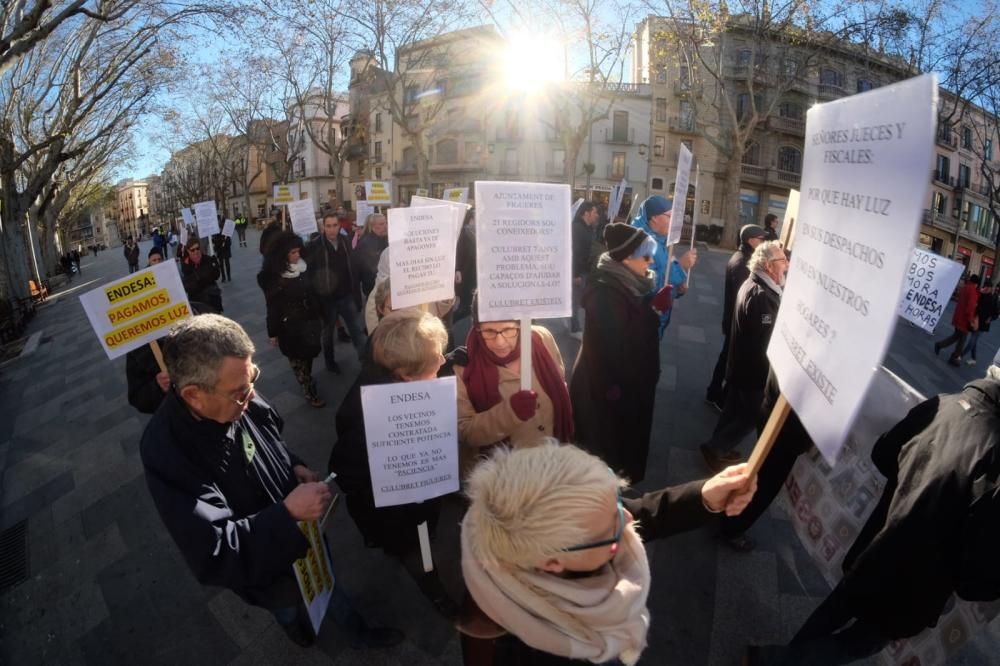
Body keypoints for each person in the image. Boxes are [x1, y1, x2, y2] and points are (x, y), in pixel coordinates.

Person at [139, 314, 403, 649]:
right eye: (239, 392)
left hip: (304, 539)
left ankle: (359, 633)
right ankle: (297, 630)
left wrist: (293, 465)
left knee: (330, 589)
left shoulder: (234, 388)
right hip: (266, 573)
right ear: (193, 395)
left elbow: (269, 433)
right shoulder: (166, 450)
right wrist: (287, 514)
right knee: (288, 607)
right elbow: (215, 553)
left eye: (253, 379)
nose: (250, 396)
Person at [746, 373, 1000, 666]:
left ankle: (777, 658)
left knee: (833, 611)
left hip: (873, 547)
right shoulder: (994, 456)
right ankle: (769, 660)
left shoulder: (942, 404)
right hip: (914, 587)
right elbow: (975, 573)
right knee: (857, 643)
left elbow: (882, 455)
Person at [461, 443, 757, 665]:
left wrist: (706, 494)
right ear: (552, 562)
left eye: (617, 502)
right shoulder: (533, 649)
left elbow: (641, 512)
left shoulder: (545, 529)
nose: (627, 521)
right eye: (610, 532)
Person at [327, 309, 459, 620]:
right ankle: (433, 588)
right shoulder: (364, 415)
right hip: (395, 510)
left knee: (426, 530)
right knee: (414, 550)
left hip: (424, 495)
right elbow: (345, 472)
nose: (443, 362)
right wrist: (394, 475)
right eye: (437, 359)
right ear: (406, 375)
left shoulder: (392, 372)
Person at [570, 223, 672, 484]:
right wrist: (652, 314)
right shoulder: (605, 291)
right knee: (606, 450)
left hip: (619, 387)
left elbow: (630, 320)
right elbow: (617, 346)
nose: (651, 262)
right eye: (645, 256)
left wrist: (651, 305)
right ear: (626, 258)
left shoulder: (626, 282)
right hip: (608, 391)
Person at [451, 300, 572, 479]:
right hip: (504, 479)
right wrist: (509, 412)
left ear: (521, 324)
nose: (500, 341)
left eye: (508, 330)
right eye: (489, 331)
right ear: (477, 327)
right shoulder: (463, 368)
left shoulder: (541, 340)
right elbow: (466, 432)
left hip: (553, 467)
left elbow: (560, 384)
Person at [700, 240, 787, 473]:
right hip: (753, 370)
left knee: (733, 411)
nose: (787, 263)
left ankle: (716, 446)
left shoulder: (755, 282)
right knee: (748, 416)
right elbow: (766, 340)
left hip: (740, 365)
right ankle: (716, 450)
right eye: (783, 259)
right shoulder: (762, 295)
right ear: (769, 266)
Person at [259, 231, 326, 408]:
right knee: (298, 360)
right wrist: (272, 332)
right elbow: (272, 307)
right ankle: (309, 390)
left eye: (298, 251)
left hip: (309, 321)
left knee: (308, 356)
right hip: (289, 326)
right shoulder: (277, 278)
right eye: (292, 253)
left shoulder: (304, 268)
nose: (297, 255)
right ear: (283, 255)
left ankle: (307, 379)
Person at [705, 224, 767, 410]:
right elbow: (745, 297)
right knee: (731, 361)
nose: (764, 242)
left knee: (727, 358)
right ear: (751, 240)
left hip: (733, 320)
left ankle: (714, 393)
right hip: (737, 322)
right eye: (761, 239)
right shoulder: (742, 263)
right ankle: (718, 397)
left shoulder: (743, 258)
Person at [304, 213, 367, 375]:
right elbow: (309, 275)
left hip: (346, 296)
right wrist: (316, 301)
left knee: (357, 330)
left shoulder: (346, 242)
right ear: (322, 227)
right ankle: (330, 362)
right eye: (328, 226)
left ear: (339, 226)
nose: (332, 229)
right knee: (327, 334)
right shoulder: (314, 246)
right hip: (327, 301)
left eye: (335, 225)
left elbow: (353, 267)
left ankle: (365, 360)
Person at [630, 195, 675, 338]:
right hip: (642, 324)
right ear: (655, 217)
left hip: (655, 319)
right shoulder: (642, 242)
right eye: (669, 216)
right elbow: (643, 285)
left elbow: (664, 273)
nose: (672, 222)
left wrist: (677, 289)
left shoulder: (660, 240)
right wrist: (681, 266)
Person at [934, 273, 980, 366]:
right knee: (961, 340)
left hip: (958, 316)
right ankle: (953, 356)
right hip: (964, 320)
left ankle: (943, 348)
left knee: (957, 337)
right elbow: (970, 308)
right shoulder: (973, 291)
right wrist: (971, 320)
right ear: (977, 283)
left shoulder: (965, 288)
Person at [569, 202, 600, 339]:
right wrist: (575, 274)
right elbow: (574, 253)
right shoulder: (577, 228)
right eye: (595, 212)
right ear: (586, 213)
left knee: (581, 300)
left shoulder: (588, 228)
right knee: (575, 301)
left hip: (586, 271)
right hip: (578, 272)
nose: (597, 215)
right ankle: (574, 328)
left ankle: (576, 325)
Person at [180, 237, 223, 312]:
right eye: (192, 250)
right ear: (188, 251)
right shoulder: (185, 266)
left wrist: (215, 266)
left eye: (197, 248)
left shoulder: (208, 259)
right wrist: (203, 275)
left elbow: (216, 276)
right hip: (198, 305)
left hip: (213, 302)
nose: (196, 251)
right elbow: (189, 287)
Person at [661, 246, 698, 330]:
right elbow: (652, 287)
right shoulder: (648, 243)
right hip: (646, 324)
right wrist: (680, 265)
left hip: (660, 321)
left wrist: (676, 289)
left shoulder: (663, 245)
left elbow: (664, 283)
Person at [352, 213, 388, 299]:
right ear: (372, 226)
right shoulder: (366, 243)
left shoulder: (384, 239)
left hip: (384, 287)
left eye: (385, 223)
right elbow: (369, 271)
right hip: (374, 289)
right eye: (381, 224)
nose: (386, 226)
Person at [960, 279, 995, 365]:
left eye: (988, 287)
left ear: (991, 288)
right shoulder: (981, 295)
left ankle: (960, 355)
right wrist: (980, 292)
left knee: (972, 340)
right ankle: (973, 358)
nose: (986, 288)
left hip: (983, 324)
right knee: (974, 340)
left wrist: (990, 319)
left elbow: (996, 312)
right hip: (976, 321)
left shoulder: (993, 298)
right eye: (985, 286)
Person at [454, 208, 478, 322]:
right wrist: (457, 269)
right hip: (466, 272)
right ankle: (458, 323)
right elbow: (458, 251)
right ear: (471, 219)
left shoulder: (480, 232)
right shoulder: (464, 232)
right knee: (466, 302)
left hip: (476, 272)